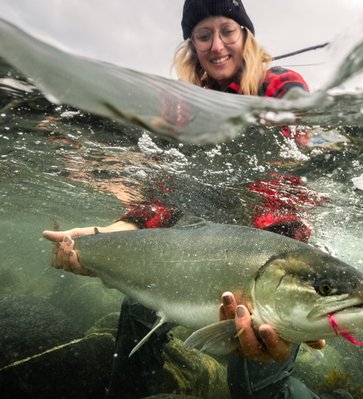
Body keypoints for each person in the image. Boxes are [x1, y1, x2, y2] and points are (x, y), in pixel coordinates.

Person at [43, 1, 327, 397]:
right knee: (134, 327)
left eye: (227, 30)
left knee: (259, 385)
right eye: (203, 35)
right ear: (192, 45)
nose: (217, 45)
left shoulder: (278, 82)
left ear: (245, 34)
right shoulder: (179, 108)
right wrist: (96, 238)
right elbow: (158, 202)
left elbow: (304, 135)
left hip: (269, 256)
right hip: (185, 246)